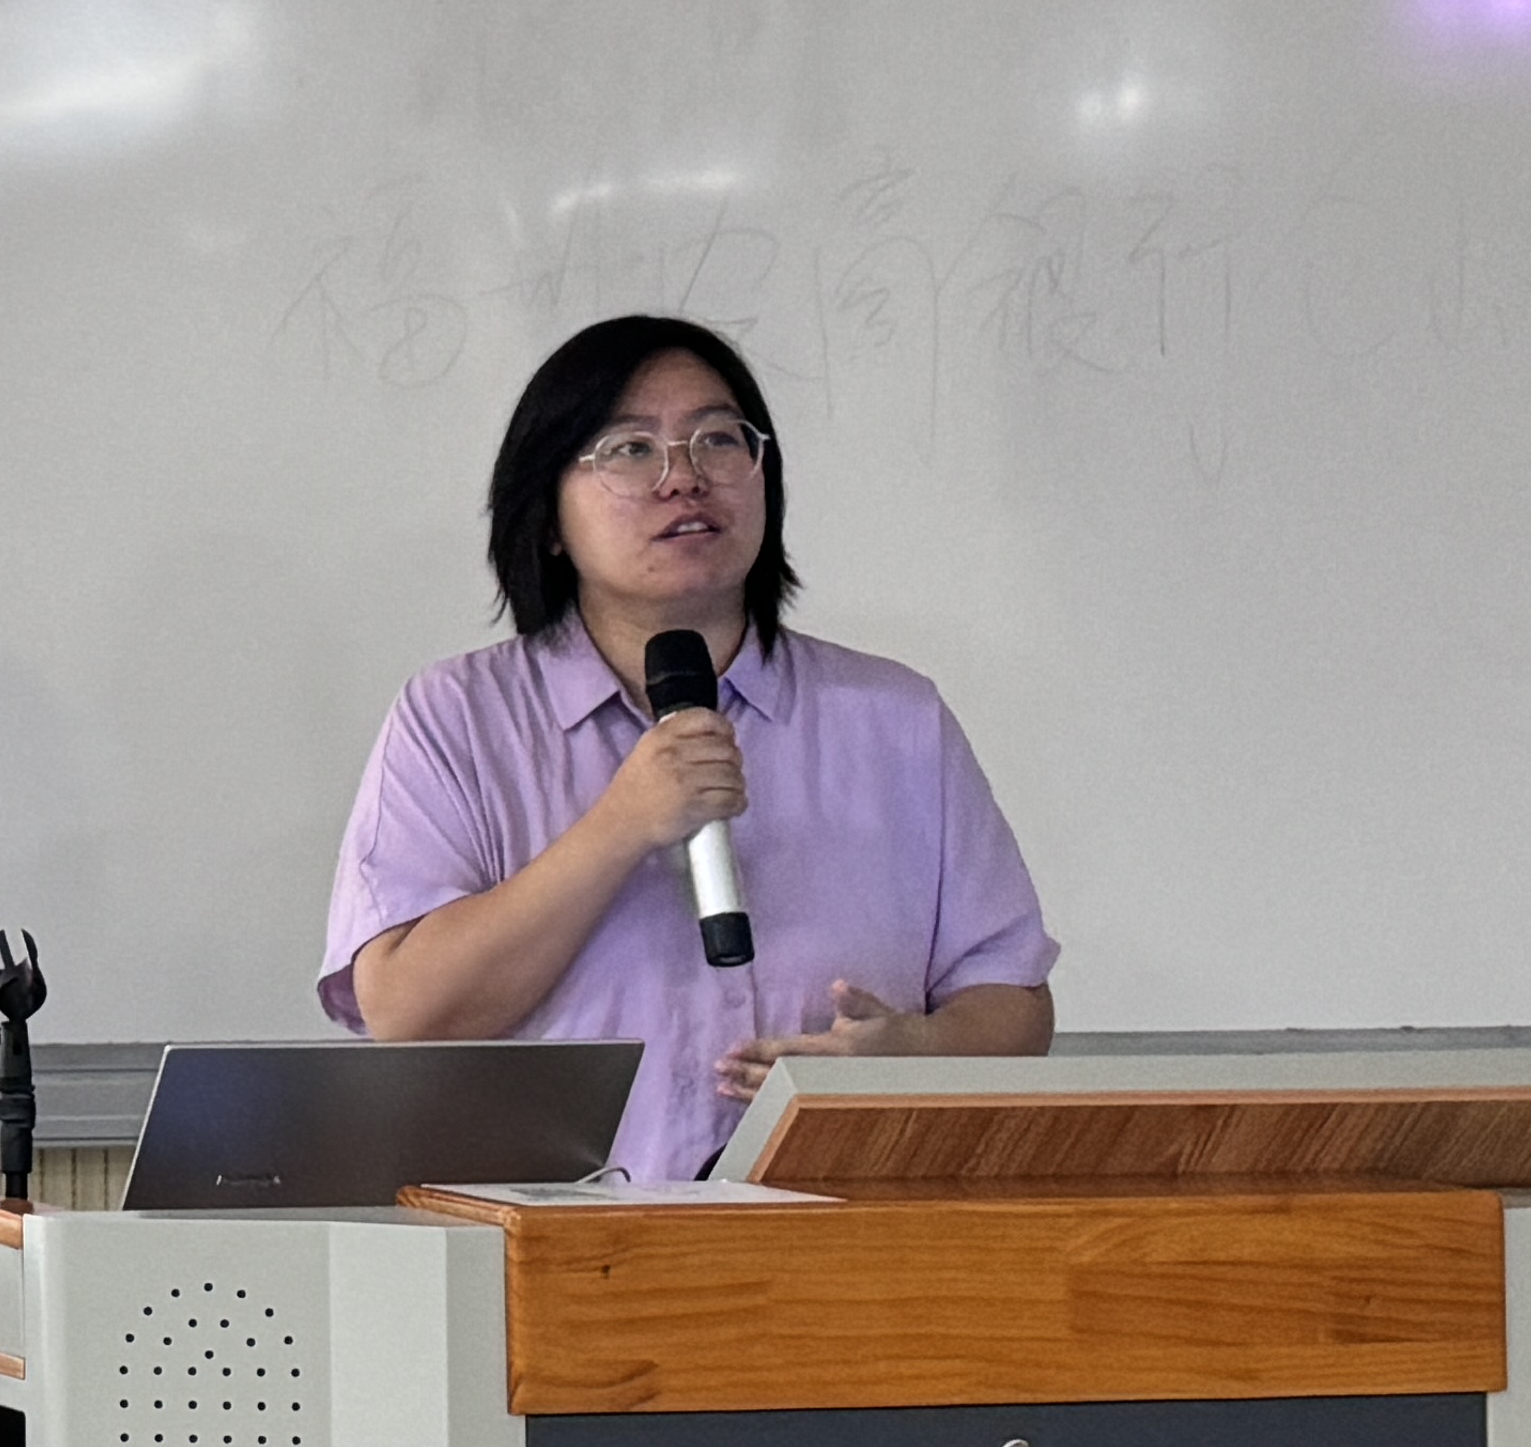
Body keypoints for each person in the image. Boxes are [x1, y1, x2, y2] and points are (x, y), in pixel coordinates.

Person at [324, 312, 1053, 1185]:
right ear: (549, 515)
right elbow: (406, 1013)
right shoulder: (458, 719)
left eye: (718, 440)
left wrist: (917, 1054)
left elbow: (1013, 1001)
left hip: (846, 1228)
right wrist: (620, 826)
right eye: (631, 450)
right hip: (557, 1238)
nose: (685, 478)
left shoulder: (894, 717)